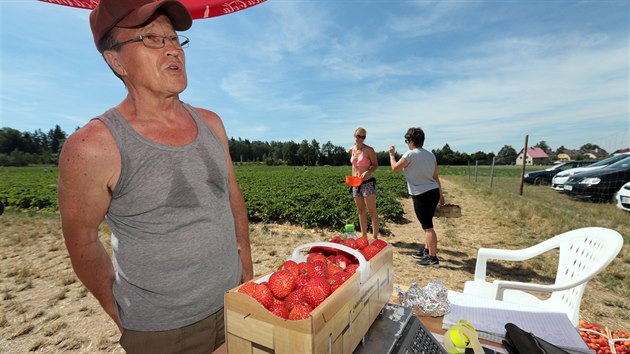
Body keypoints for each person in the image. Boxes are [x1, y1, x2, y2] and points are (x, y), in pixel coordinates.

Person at [57, 1, 253, 352]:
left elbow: (232, 197)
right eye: (151, 38)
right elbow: (81, 239)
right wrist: (121, 315)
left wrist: (246, 270)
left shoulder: (212, 123)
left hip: (233, 304)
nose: (172, 48)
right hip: (160, 332)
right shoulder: (92, 146)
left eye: (174, 39)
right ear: (116, 61)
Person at [388, 127, 445, 267]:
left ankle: (433, 258)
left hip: (421, 194)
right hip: (433, 192)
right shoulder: (431, 155)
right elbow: (435, 177)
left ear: (412, 141)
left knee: (428, 227)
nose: (407, 143)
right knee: (427, 223)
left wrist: (391, 155)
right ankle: (427, 250)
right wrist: (441, 195)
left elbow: (394, 168)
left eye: (407, 140)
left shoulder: (410, 155)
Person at [349, 127, 380, 239]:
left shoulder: (369, 150)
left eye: (363, 137)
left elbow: (375, 165)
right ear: (354, 136)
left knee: (372, 211)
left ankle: (375, 237)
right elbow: (354, 166)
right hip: (355, 183)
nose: (361, 139)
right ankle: (364, 236)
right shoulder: (352, 149)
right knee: (361, 210)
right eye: (359, 136)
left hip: (367, 182)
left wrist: (368, 171)